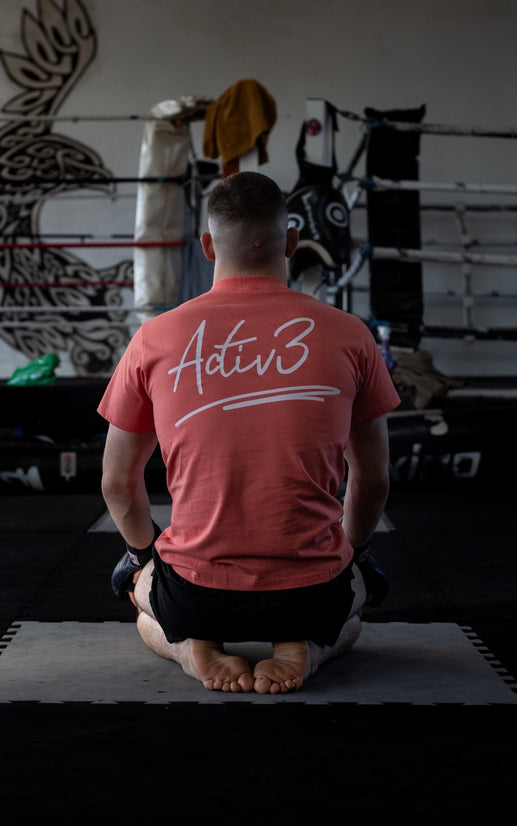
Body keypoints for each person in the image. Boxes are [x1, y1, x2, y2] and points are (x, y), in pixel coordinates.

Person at [98, 171, 401, 695]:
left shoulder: (153, 338)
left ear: (208, 247)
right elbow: (372, 481)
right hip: (312, 592)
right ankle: (311, 645)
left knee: (135, 589)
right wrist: (348, 555)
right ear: (291, 241)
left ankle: (189, 646)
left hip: (195, 591)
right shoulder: (353, 335)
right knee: (357, 601)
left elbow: (117, 485)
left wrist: (143, 558)